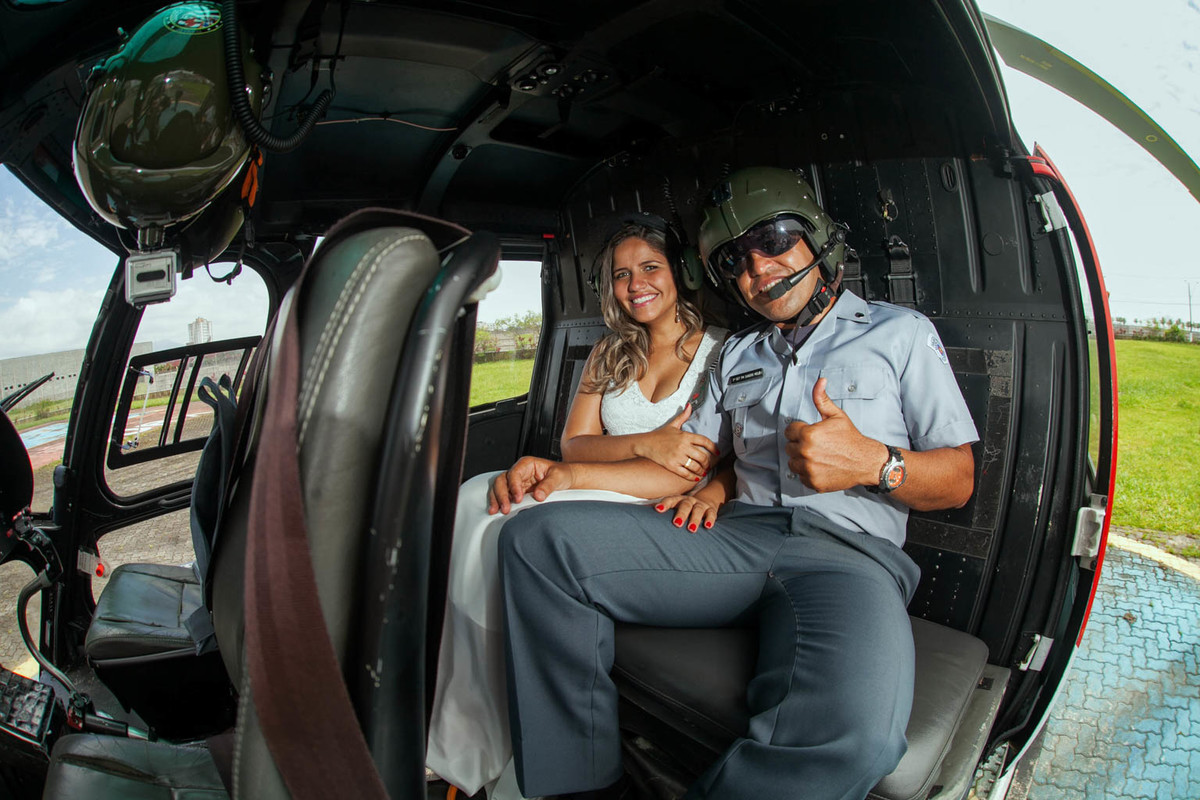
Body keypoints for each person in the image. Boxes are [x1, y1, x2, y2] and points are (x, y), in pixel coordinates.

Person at [492, 167, 979, 800]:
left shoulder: (901, 333)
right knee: (537, 541)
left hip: (849, 558)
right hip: (734, 541)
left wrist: (876, 465)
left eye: (773, 240)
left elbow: (959, 479)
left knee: (858, 738)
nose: (759, 269)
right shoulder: (738, 356)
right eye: (737, 260)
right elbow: (684, 463)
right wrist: (566, 472)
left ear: (819, 239)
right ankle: (580, 788)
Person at [426, 217, 730, 800]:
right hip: (597, 478)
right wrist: (646, 439)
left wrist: (592, 469)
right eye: (621, 274)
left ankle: (497, 735)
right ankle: (466, 726)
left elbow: (683, 469)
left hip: (652, 504)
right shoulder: (609, 353)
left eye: (650, 268)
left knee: (516, 524)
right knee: (475, 500)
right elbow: (574, 442)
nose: (635, 284)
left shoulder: (718, 353)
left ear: (681, 274)